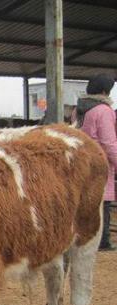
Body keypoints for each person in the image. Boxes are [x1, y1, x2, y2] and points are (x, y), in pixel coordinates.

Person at [75, 74, 117, 251]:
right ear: (104, 91)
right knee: (103, 202)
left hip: (81, 161)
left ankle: (82, 235)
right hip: (99, 162)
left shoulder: (80, 109)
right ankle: (103, 240)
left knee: (84, 202)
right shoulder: (103, 110)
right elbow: (108, 142)